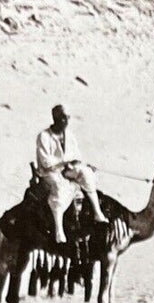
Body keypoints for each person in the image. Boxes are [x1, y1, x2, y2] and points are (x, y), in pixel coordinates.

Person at [34, 103, 106, 244]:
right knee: (60, 188)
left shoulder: (70, 136)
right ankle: (59, 230)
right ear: (55, 118)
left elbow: (76, 156)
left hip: (66, 170)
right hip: (49, 173)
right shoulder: (43, 136)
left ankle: (97, 213)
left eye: (67, 117)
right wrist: (65, 162)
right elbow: (45, 162)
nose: (66, 121)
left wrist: (79, 165)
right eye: (63, 118)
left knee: (86, 174)